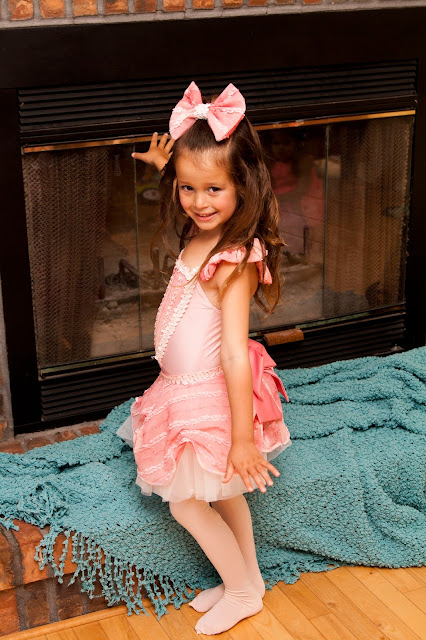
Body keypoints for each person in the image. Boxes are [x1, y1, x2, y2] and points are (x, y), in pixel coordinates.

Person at [116, 81, 292, 636]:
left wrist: (242, 438)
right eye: (187, 188)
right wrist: (165, 167)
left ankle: (239, 592)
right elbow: (193, 185)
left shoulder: (234, 260)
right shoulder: (199, 228)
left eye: (214, 188)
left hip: (209, 395)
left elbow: (235, 355)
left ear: (243, 186)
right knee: (225, 493)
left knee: (188, 503)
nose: (199, 201)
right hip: (178, 389)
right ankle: (249, 581)